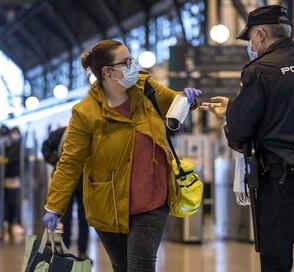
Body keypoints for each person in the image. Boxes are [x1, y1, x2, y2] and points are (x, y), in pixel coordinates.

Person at [201, 5, 294, 272]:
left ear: (262, 34)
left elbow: (241, 131)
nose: (251, 44)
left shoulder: (260, 69)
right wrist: (234, 108)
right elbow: (291, 111)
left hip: (281, 179)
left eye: (251, 37)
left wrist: (231, 117)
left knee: (276, 261)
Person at [42, 39, 202, 271]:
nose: (133, 66)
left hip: (153, 200)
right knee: (122, 266)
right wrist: (54, 206)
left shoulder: (146, 89)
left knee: (140, 266)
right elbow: (70, 163)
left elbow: (175, 101)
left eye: (131, 59)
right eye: (126, 62)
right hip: (109, 205)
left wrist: (189, 98)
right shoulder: (86, 113)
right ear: (107, 72)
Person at [42, 127, 90, 260]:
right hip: (67, 184)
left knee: (84, 218)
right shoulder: (60, 134)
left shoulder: (88, 132)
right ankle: (64, 250)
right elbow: (45, 148)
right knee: (65, 218)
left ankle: (82, 251)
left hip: (83, 183)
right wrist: (55, 161)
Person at [3, 127, 22, 241]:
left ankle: (10, 223)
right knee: (7, 204)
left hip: (14, 180)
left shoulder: (16, 146)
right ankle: (6, 225)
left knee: (12, 204)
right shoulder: (8, 145)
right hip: (6, 180)